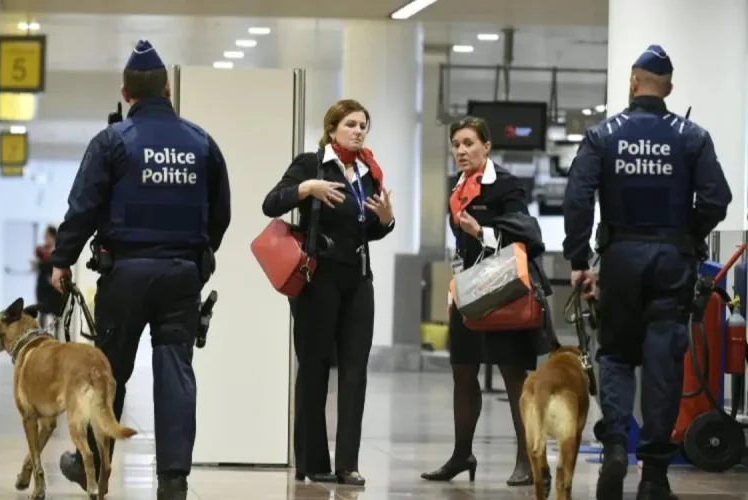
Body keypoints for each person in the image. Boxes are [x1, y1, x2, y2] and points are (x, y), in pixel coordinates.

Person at [49, 40, 231, 500]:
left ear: (126, 94)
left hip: (125, 274)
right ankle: (173, 480)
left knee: (108, 371)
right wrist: (199, 256)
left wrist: (62, 260)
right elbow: (221, 212)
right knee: (175, 372)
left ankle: (89, 461)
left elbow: (83, 208)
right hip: (181, 275)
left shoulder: (112, 142)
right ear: (167, 89)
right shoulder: (202, 142)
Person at [562, 45, 732, 500]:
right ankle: (654, 474)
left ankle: (617, 442)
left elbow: (577, 200)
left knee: (616, 354)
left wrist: (579, 261)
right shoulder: (691, 135)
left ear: (634, 83)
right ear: (669, 88)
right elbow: (717, 199)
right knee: (663, 361)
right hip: (672, 261)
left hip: (619, 258)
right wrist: (689, 236)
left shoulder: (603, 135)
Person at [262, 99, 395, 486]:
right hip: (317, 280)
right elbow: (270, 203)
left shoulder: (368, 171)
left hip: (357, 280)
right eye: (351, 124)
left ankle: (348, 464)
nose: (358, 131)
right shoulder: (311, 163)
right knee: (315, 369)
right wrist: (307, 188)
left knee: (355, 372)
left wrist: (385, 221)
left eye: (363, 125)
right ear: (332, 127)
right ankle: (312, 460)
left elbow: (365, 225)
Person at [421, 116, 556, 487]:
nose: (461, 151)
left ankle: (528, 460)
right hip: (470, 293)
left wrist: (481, 231)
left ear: (487, 147)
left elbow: (528, 236)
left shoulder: (506, 185)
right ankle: (461, 454)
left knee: (514, 377)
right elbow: (462, 248)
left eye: (469, 143)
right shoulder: (459, 188)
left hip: (505, 294)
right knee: (463, 372)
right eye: (456, 145)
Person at [33, 225, 62, 334]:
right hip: (43, 284)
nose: (45, 237)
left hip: (54, 284)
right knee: (42, 310)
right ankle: (41, 335)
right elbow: (37, 265)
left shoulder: (58, 249)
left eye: (48, 235)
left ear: (53, 236)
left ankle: (57, 336)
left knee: (56, 312)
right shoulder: (40, 249)